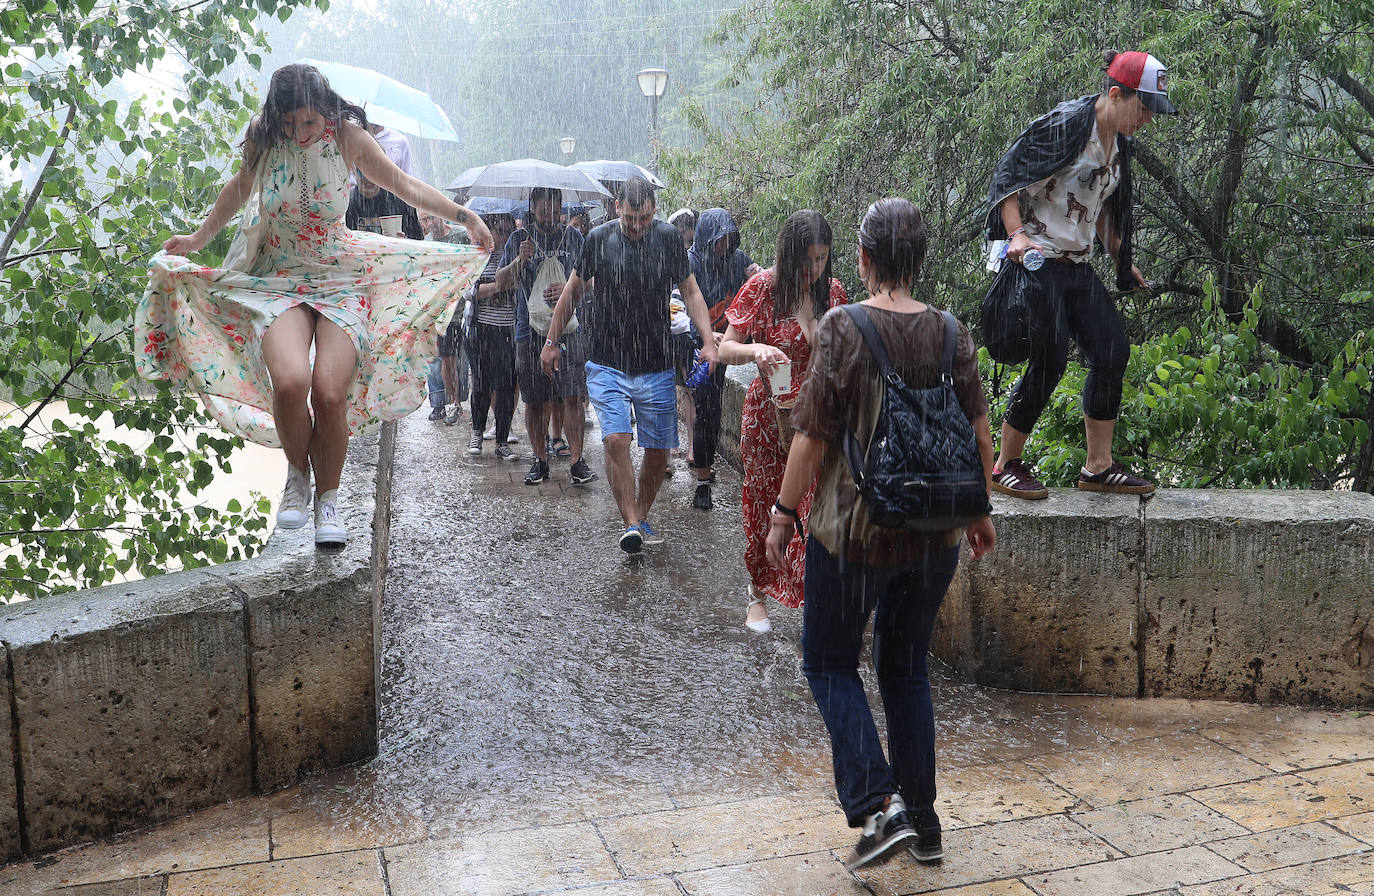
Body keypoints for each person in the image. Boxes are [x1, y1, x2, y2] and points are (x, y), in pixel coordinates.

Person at [138, 63, 492, 547]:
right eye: (290, 124)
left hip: (341, 277)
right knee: (289, 382)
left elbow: (402, 186)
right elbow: (239, 190)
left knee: (328, 392)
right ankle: (298, 478)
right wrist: (199, 238)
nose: (299, 133)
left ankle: (329, 499)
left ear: (324, 111)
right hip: (278, 277)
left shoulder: (348, 138)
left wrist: (462, 215)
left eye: (308, 123)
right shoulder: (265, 138)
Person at [766, 198, 995, 870]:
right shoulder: (953, 333)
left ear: (863, 260)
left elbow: (811, 440)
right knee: (905, 668)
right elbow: (977, 434)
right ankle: (924, 825)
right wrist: (978, 513)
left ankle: (879, 801)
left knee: (828, 662)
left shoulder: (843, 327)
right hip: (934, 536)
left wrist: (783, 516)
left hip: (855, 533)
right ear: (919, 259)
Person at [985, 49, 1176, 499]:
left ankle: (1098, 466)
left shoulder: (1119, 144)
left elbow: (1106, 207)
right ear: (1115, 94)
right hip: (1037, 258)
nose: (1148, 118)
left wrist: (1120, 257)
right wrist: (1015, 235)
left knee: (1112, 348)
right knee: (1049, 358)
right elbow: (1008, 177)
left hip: (1076, 262)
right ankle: (1005, 463)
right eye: (1144, 107)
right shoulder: (1066, 125)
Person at [540, 178, 719, 554]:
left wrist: (707, 342)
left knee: (657, 450)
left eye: (644, 218)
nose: (637, 226)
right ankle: (632, 523)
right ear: (618, 207)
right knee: (616, 439)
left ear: (653, 210)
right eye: (630, 218)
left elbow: (691, 292)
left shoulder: (668, 238)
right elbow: (572, 293)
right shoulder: (598, 240)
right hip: (607, 359)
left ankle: (640, 513)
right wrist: (552, 342)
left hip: (654, 361)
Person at [717, 210, 846, 633]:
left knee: (812, 507)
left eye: (822, 259)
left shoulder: (835, 293)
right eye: (806, 260)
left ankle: (815, 599)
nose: (814, 270)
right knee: (763, 504)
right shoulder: (763, 288)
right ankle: (757, 593)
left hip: (815, 423)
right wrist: (756, 351)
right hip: (767, 418)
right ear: (788, 254)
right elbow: (724, 349)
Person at [498, 187, 596, 487]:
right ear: (532, 207)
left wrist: (567, 286)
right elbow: (501, 282)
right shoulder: (518, 239)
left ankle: (577, 461)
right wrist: (519, 262)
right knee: (535, 399)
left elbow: (590, 283)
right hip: (528, 331)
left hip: (568, 329)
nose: (551, 217)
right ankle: (539, 460)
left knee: (572, 396)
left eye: (556, 211)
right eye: (544, 211)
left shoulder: (574, 238)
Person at [689, 208, 761, 511]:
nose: (725, 245)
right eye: (720, 239)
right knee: (705, 411)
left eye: (729, 239)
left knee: (713, 410)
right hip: (699, 348)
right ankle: (703, 482)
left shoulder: (737, 259)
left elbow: (755, 282)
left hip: (728, 342)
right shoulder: (691, 263)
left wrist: (758, 274)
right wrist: (704, 336)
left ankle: (706, 468)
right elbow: (679, 304)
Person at [465, 213, 520, 461]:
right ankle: (476, 432)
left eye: (509, 231)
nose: (504, 235)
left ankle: (502, 440)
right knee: (481, 383)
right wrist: (498, 286)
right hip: (481, 330)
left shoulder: (515, 258)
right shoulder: (478, 256)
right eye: (499, 230)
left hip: (509, 330)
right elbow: (468, 291)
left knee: (506, 386)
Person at [421, 213, 470, 426]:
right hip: (442, 314)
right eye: (424, 220)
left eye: (431, 218)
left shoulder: (461, 235)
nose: (429, 224)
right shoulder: (426, 244)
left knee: (466, 361)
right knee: (447, 360)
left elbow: (474, 261)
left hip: (466, 309)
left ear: (440, 216)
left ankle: (464, 402)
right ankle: (452, 403)